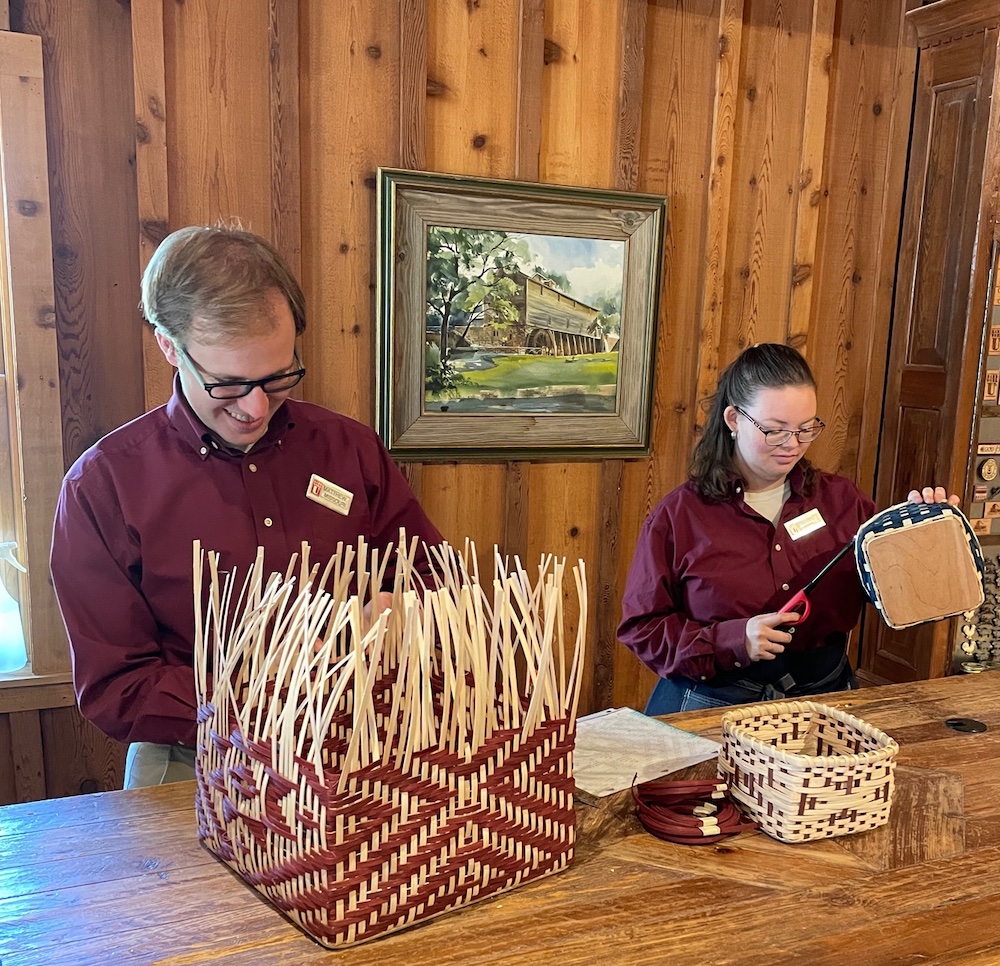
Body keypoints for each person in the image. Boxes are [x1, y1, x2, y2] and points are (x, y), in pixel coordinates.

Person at [50, 225, 443, 787]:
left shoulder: (348, 448)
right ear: (169, 344)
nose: (256, 408)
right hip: (196, 761)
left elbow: (432, 575)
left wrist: (405, 614)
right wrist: (268, 698)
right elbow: (117, 686)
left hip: (360, 747)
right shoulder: (104, 485)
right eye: (228, 385)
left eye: (278, 376)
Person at [618, 342, 957, 715]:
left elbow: (901, 596)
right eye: (775, 430)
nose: (792, 445)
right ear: (734, 420)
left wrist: (925, 539)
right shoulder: (680, 517)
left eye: (805, 428)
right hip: (711, 704)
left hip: (823, 704)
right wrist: (732, 640)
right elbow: (642, 629)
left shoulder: (843, 503)